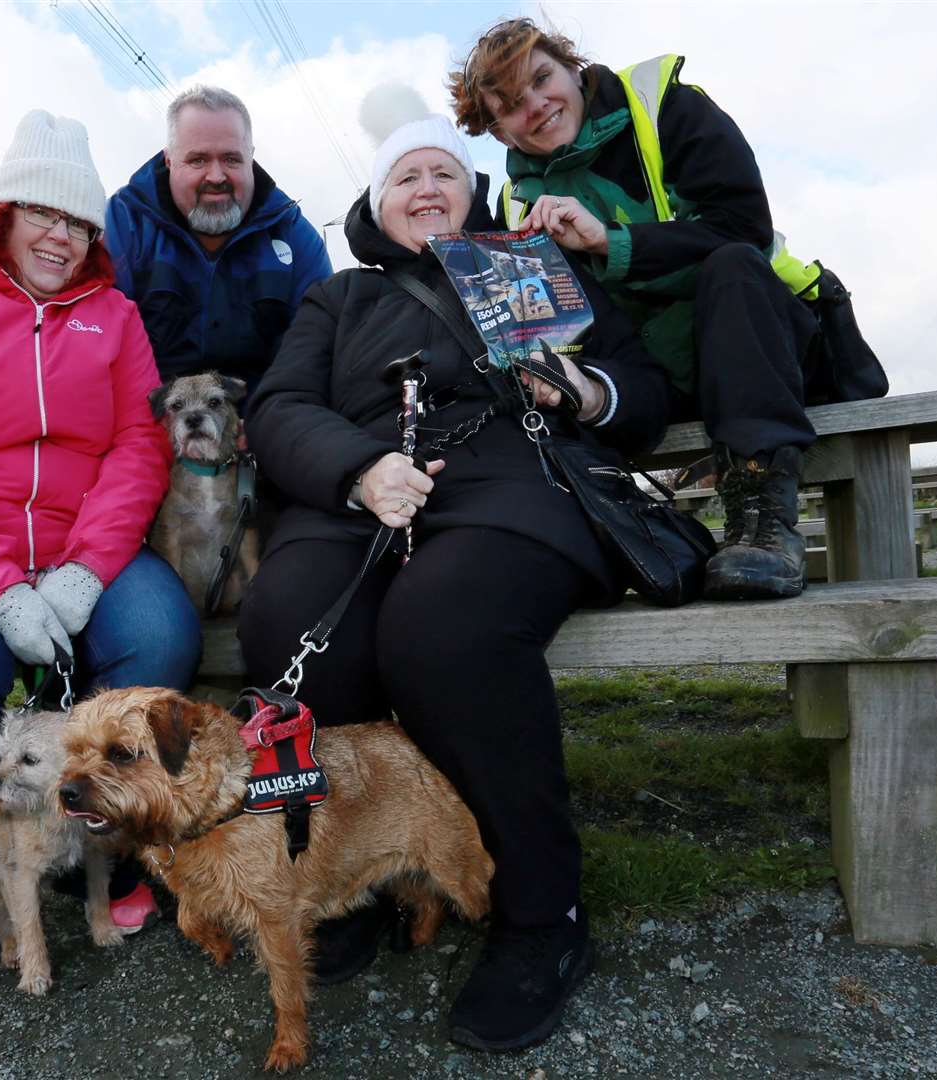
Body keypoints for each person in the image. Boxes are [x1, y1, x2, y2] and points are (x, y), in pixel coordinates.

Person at [237, 85, 672, 1052]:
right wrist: (356, 469)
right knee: (289, 622)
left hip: (509, 486)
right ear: (377, 204)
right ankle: (333, 877)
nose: (426, 187)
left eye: (443, 173)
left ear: (472, 195)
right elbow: (277, 409)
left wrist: (580, 387)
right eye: (406, 176)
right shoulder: (338, 296)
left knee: (445, 629)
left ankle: (539, 913)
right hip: (361, 497)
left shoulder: (533, 268)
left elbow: (640, 388)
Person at [0, 109, 201, 933]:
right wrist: (1, 587)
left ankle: (107, 845)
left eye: (80, 222)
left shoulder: (116, 319)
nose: (61, 236)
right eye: (44, 214)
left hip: (86, 549)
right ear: (4, 214)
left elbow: (138, 445)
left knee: (158, 639)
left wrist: (88, 568)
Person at [451, 18, 827, 600]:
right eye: (510, 105)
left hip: (762, 350)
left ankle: (763, 522)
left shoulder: (666, 108)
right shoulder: (513, 204)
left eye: (542, 78)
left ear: (573, 66)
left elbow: (745, 226)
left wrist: (609, 242)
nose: (537, 106)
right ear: (497, 131)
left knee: (733, 266)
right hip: (648, 384)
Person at [104, 85, 332, 387]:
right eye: (198, 160)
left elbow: (317, 356)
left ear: (251, 157)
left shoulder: (293, 235)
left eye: (231, 159)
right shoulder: (124, 224)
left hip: (263, 421)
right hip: (149, 418)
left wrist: (265, 428)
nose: (216, 176)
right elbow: (99, 346)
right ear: (169, 160)